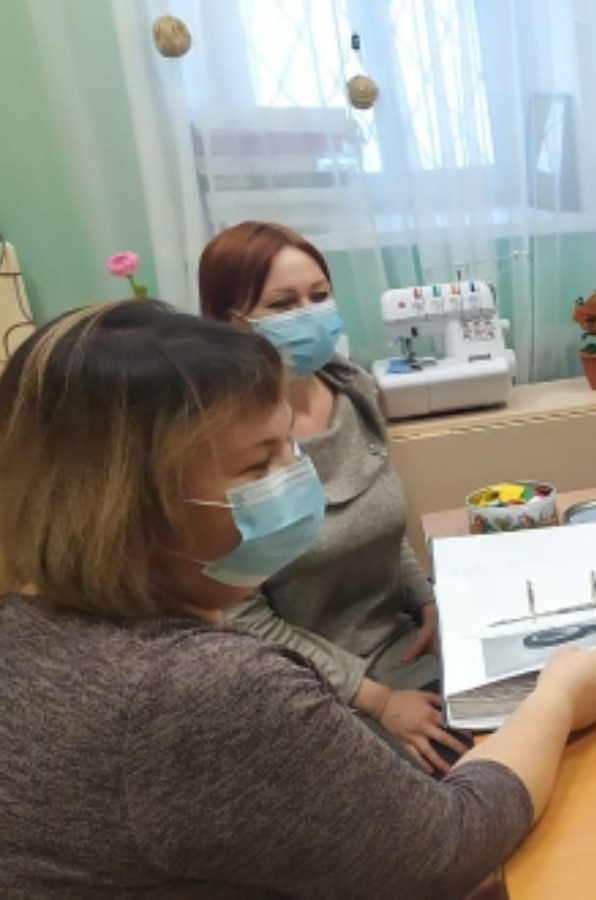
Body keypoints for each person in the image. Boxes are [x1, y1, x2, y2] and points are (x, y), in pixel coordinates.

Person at [0, 300, 596, 896]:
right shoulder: (199, 691)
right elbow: (448, 848)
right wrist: (560, 696)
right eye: (257, 466)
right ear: (125, 510)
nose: (300, 482)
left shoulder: (29, 622)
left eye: (289, 448)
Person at [199, 221, 460, 772]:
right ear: (229, 322)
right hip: (304, 685)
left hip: (398, 648)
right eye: (283, 304)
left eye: (319, 296)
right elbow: (243, 619)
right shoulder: (220, 440)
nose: (310, 314)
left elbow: (379, 516)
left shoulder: (353, 389)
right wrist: (378, 701)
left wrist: (427, 601)